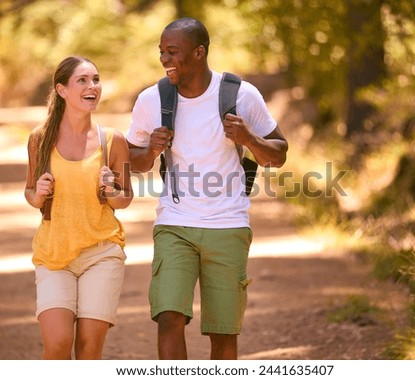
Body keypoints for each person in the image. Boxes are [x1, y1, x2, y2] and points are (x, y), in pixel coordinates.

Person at [127, 18, 288, 360]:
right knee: (169, 315)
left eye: (173, 52)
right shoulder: (151, 99)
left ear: (199, 53)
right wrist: (151, 150)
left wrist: (248, 139)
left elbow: (279, 154)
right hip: (174, 223)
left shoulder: (241, 95)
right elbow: (133, 161)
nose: (164, 59)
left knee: (222, 331)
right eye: (161, 52)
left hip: (228, 225)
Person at [24, 55, 133, 359]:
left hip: (101, 252)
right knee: (57, 344)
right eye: (82, 80)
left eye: (96, 79)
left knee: (88, 348)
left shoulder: (112, 140)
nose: (92, 86)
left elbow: (124, 199)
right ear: (61, 90)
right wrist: (39, 193)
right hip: (54, 253)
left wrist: (112, 189)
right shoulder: (40, 139)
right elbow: (31, 193)